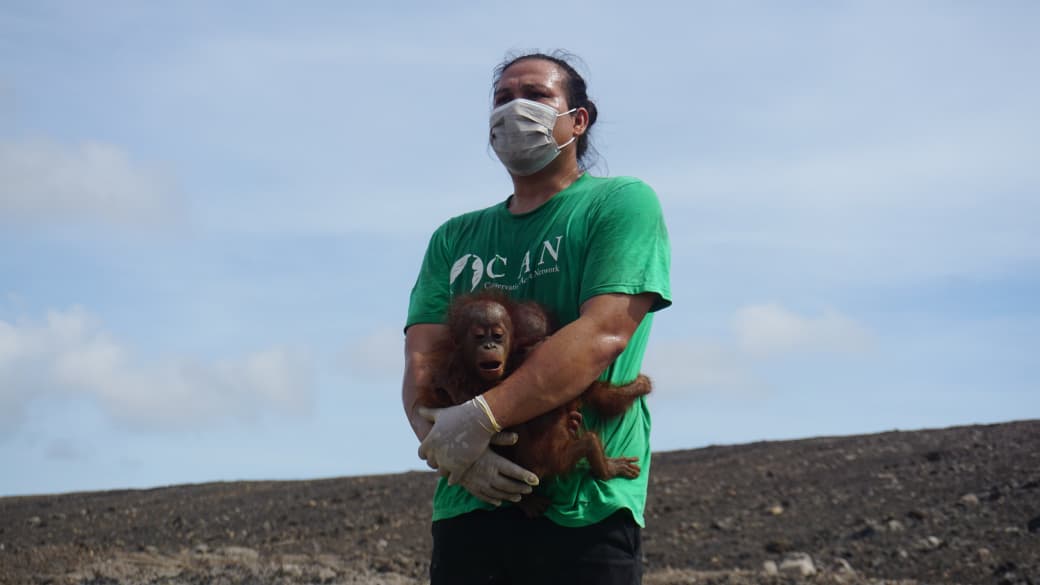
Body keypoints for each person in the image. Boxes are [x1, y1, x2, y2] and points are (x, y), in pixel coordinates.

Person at [402, 50, 671, 585]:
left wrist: (479, 419)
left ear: (578, 120)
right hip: (469, 509)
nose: (514, 108)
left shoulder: (620, 204)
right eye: (502, 99)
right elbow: (422, 364)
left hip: (585, 511)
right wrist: (452, 452)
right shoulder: (453, 238)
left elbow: (604, 332)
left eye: (536, 95)